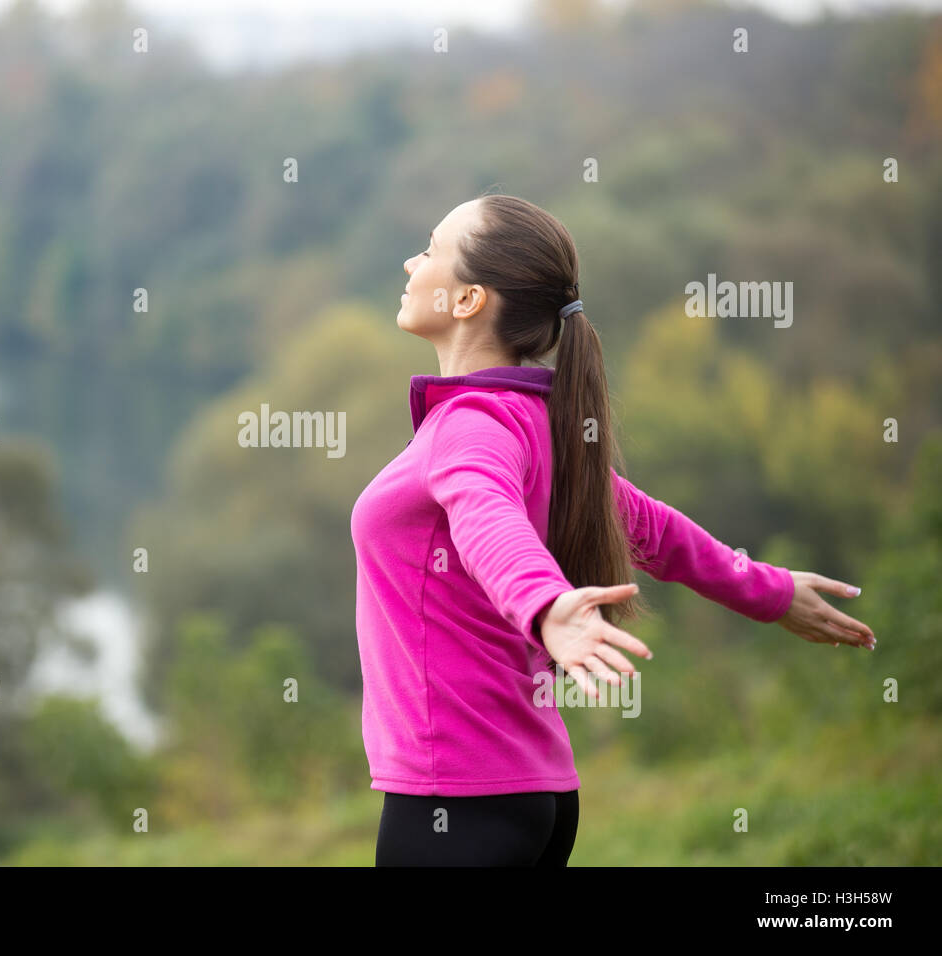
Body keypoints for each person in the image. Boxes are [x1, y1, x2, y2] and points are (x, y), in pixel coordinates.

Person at [350, 193, 876, 867]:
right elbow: (649, 527)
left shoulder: (472, 430)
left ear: (467, 300)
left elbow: (488, 519)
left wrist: (543, 604)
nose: (410, 261)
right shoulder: (530, 422)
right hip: (532, 795)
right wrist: (766, 589)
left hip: (457, 800)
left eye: (429, 249)